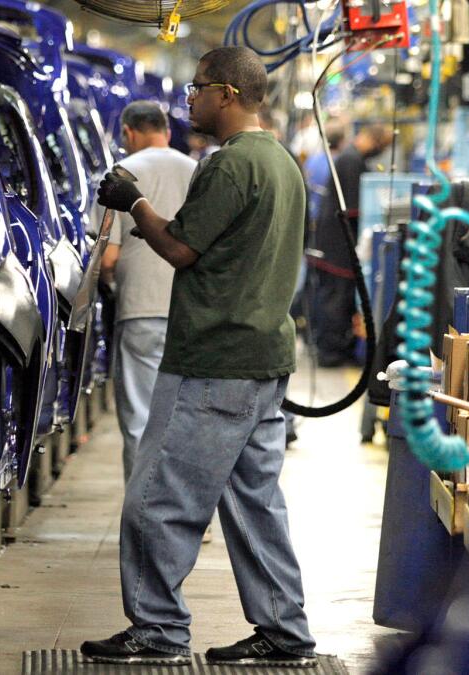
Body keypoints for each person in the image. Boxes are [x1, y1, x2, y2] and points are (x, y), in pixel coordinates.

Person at [81, 46, 316, 668]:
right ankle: (284, 630)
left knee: (156, 499)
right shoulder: (284, 164)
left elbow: (181, 249)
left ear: (228, 95)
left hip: (213, 361)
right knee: (253, 503)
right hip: (263, 359)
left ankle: (157, 630)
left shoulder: (228, 165)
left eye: (199, 88)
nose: (190, 98)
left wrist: (132, 201)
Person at [101, 101, 197, 484]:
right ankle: (187, 516)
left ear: (128, 133)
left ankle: (143, 521)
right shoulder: (197, 171)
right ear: (167, 132)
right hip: (190, 313)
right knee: (185, 423)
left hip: (140, 308)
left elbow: (108, 257)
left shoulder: (122, 174)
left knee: (141, 420)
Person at [307, 122, 392, 368]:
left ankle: (332, 348)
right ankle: (329, 353)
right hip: (336, 245)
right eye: (381, 146)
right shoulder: (352, 161)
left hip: (335, 241)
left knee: (334, 297)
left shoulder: (350, 158)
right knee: (335, 299)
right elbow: (354, 208)